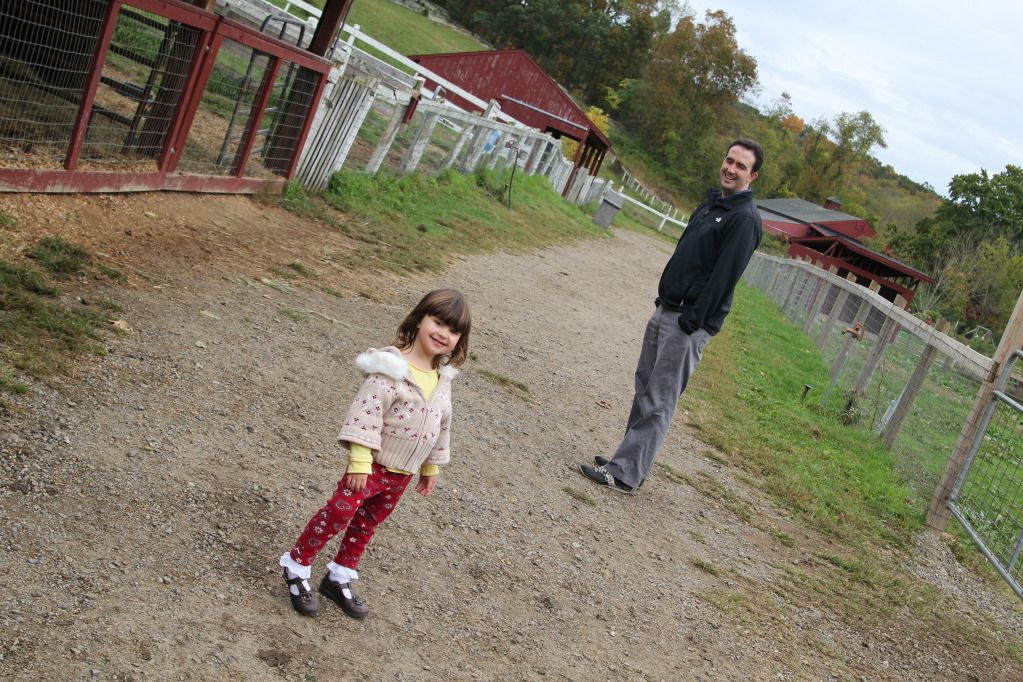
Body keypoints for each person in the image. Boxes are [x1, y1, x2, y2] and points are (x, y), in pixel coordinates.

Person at [580, 139, 764, 494]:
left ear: (752, 175)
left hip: (687, 323)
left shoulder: (744, 219)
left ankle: (625, 475)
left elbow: (724, 278)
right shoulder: (713, 203)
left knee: (659, 400)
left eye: (741, 166)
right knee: (644, 389)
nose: (731, 168)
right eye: (729, 160)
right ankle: (626, 461)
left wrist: (692, 321)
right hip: (668, 307)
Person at [278, 289, 471, 617]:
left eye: (453, 330)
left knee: (367, 524)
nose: (443, 334)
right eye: (438, 322)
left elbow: (443, 423)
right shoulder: (390, 368)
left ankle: (339, 576)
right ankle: (297, 565)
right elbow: (364, 416)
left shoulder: (442, 378)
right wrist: (359, 461)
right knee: (338, 514)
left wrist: (431, 466)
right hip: (369, 468)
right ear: (419, 320)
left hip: (402, 474)